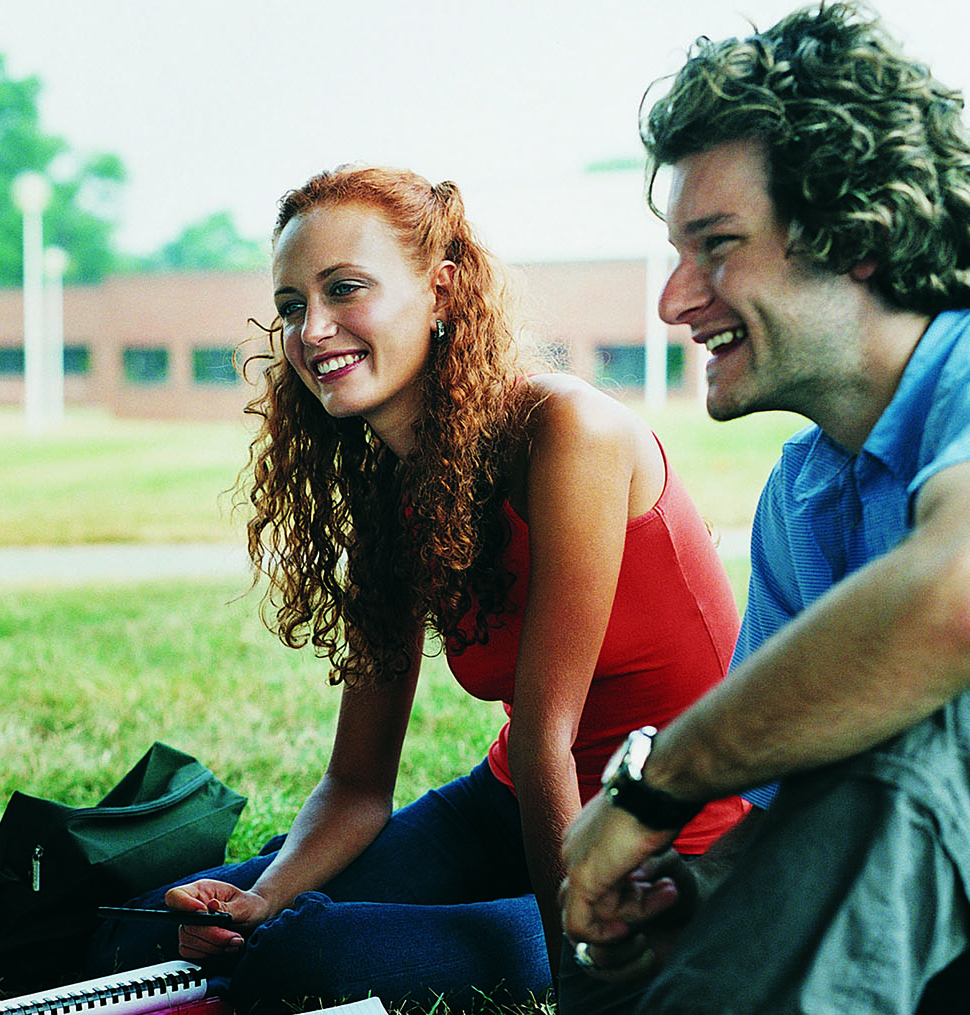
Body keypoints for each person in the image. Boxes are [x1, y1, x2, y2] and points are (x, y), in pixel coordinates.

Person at [89, 165, 751, 1010]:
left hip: (662, 841)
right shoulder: (394, 488)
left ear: (440, 292)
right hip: (510, 807)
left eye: (345, 289)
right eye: (293, 306)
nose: (313, 329)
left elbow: (553, 734)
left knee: (302, 960)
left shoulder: (568, 432)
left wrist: (582, 973)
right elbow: (359, 783)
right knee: (153, 923)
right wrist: (265, 895)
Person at [559, 4, 970, 1012]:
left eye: (714, 246)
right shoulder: (801, 497)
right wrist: (692, 886)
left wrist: (652, 784)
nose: (674, 301)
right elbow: (824, 815)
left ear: (855, 234)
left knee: (956, 647)